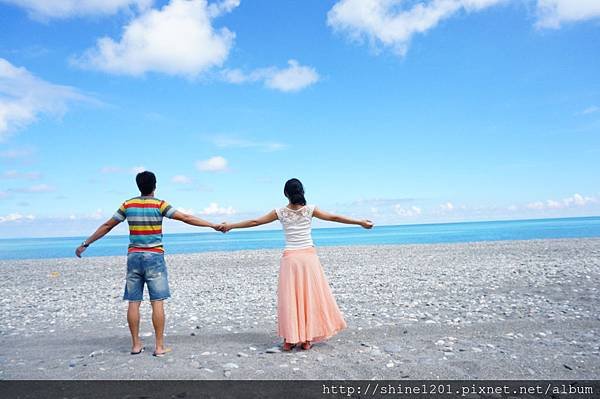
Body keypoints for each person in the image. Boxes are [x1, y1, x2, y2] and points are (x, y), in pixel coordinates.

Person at [75, 171, 224, 357]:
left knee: (133, 301)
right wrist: (212, 225)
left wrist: (85, 244)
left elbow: (107, 226)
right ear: (155, 186)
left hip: (134, 257)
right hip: (154, 257)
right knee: (157, 302)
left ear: (138, 186)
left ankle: (136, 345)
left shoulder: (128, 205)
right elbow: (186, 218)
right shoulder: (160, 205)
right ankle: (159, 347)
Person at [221, 178, 373, 350]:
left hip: (291, 258)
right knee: (310, 297)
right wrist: (360, 222)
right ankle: (307, 339)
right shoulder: (310, 210)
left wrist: (230, 226)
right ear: (302, 192)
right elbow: (334, 217)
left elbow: (255, 222)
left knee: (290, 298)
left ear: (286, 194)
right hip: (309, 258)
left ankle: (290, 340)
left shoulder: (280, 212)